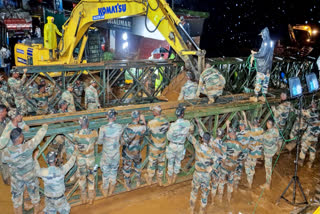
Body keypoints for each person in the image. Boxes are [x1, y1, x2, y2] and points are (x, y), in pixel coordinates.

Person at [2, 124, 48, 214]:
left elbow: (4, 161)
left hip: (16, 178)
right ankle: (36, 212)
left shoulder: (5, 152)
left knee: (16, 199)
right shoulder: (27, 146)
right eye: (22, 135)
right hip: (29, 176)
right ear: (19, 139)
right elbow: (38, 137)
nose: (23, 136)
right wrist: (44, 127)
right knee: (35, 197)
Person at [34, 149, 76, 214]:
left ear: (47, 161)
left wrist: (35, 158)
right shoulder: (61, 170)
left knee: (50, 210)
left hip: (49, 199)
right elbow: (71, 163)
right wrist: (75, 152)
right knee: (66, 210)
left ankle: (47, 211)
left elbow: (36, 170)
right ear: (55, 160)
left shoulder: (44, 172)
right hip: (60, 199)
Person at [70, 116, 98, 204]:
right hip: (90, 159)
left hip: (81, 160)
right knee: (91, 176)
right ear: (88, 123)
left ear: (80, 123)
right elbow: (96, 139)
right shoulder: (94, 133)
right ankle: (91, 197)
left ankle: (83, 197)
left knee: (82, 177)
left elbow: (74, 141)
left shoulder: (76, 135)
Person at [98, 109, 124, 197]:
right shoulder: (120, 127)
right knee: (114, 171)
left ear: (106, 117)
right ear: (115, 117)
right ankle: (111, 190)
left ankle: (105, 190)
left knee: (105, 173)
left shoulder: (103, 128)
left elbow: (100, 142)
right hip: (116, 154)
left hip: (106, 155)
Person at [188, 129, 214, 214]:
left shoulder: (197, 146)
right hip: (206, 175)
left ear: (202, 139)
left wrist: (190, 130)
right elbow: (218, 160)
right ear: (209, 140)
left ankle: (191, 210)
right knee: (205, 193)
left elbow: (189, 137)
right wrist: (212, 167)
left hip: (197, 174)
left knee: (194, 191)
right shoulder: (211, 151)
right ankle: (202, 211)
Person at [166, 106, 193, 184]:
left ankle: (170, 177)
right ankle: (175, 175)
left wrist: (169, 128)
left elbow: (168, 137)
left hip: (173, 145)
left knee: (170, 161)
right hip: (181, 145)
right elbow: (191, 130)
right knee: (178, 161)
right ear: (182, 114)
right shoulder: (187, 123)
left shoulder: (173, 126)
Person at [121, 110, 146, 190]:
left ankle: (127, 184)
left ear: (132, 117)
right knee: (138, 165)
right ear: (138, 118)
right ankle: (138, 180)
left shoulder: (127, 128)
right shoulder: (142, 127)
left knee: (127, 167)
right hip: (137, 151)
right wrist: (143, 120)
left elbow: (122, 142)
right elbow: (146, 128)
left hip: (128, 152)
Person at [145, 105, 170, 186]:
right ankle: (159, 178)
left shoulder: (151, 123)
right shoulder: (166, 121)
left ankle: (150, 178)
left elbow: (146, 132)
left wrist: (143, 121)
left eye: (153, 111)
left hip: (154, 148)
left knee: (152, 162)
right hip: (162, 146)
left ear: (155, 112)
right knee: (161, 162)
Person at [218, 127, 244, 203]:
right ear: (235, 134)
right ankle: (229, 199)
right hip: (233, 167)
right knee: (230, 182)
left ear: (229, 134)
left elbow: (222, 156)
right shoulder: (239, 144)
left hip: (224, 167)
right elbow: (240, 156)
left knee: (222, 182)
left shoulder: (225, 143)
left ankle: (220, 199)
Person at [250, 27, 275, 102]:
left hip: (262, 66)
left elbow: (263, 54)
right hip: (268, 66)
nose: (261, 36)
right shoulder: (271, 42)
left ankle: (255, 96)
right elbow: (268, 54)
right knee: (265, 83)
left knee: (259, 81)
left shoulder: (265, 42)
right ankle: (263, 96)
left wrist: (254, 55)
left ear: (264, 34)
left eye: (261, 35)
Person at [245, 118, 264, 189]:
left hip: (251, 153)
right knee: (253, 166)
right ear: (258, 123)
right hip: (257, 153)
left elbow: (246, 140)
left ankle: (249, 183)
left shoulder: (250, 133)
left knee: (247, 166)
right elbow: (255, 131)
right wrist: (250, 124)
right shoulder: (261, 130)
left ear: (253, 124)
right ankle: (250, 182)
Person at [261, 119, 279, 190]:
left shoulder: (266, 134)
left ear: (268, 124)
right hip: (274, 149)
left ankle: (267, 184)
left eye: (267, 123)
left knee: (268, 168)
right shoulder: (276, 130)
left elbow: (262, 142)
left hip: (268, 153)